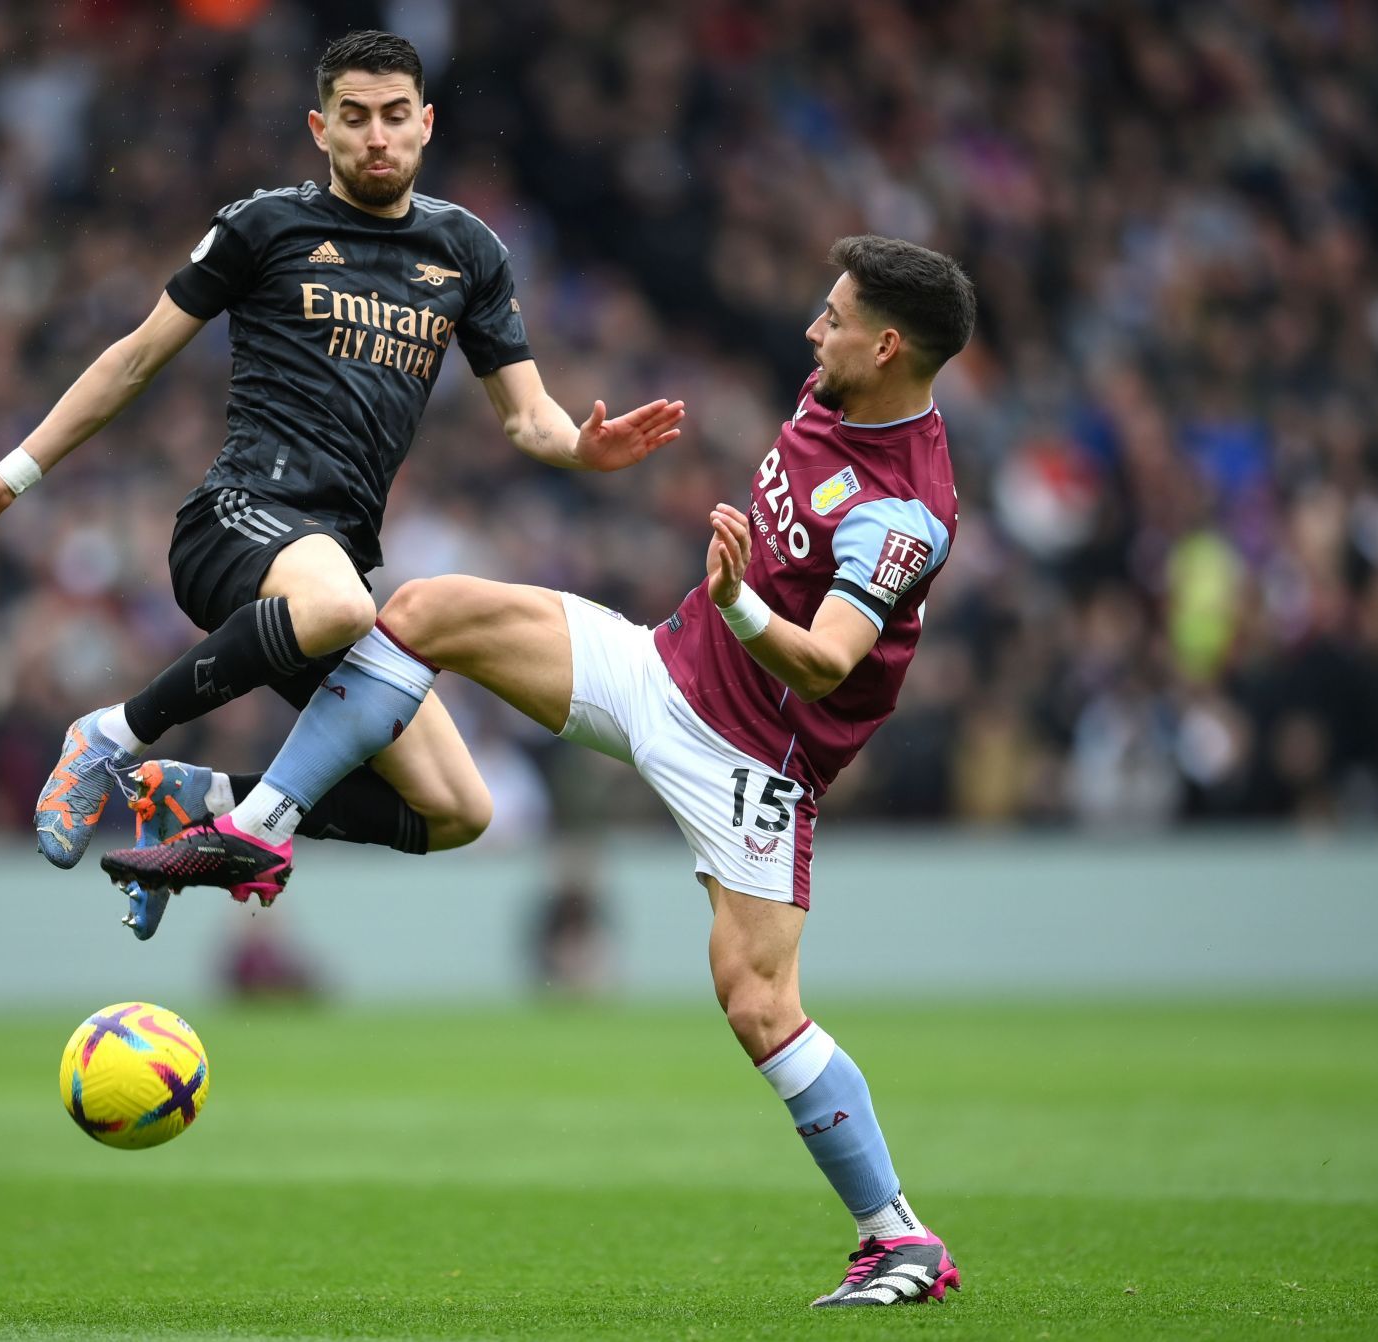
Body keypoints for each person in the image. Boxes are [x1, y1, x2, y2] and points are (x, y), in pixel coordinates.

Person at [101, 235, 976, 1309]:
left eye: (834, 317)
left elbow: (831, 658)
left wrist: (744, 601)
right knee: (420, 612)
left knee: (758, 1005)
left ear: (888, 347)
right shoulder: (835, 390)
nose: (813, 329)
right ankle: (262, 823)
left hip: (754, 759)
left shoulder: (905, 510)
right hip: (663, 666)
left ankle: (899, 1240)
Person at [0, 30, 683, 923]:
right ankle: (108, 737)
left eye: (396, 116)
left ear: (427, 124)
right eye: (354, 118)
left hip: (328, 564)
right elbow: (133, 360)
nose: (377, 136)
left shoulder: (466, 250)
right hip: (238, 520)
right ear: (321, 128)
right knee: (349, 608)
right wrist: (13, 474)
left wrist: (583, 449)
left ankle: (197, 799)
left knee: (458, 810)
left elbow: (528, 415)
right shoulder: (265, 225)